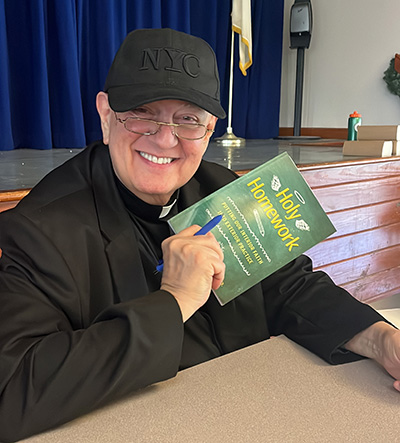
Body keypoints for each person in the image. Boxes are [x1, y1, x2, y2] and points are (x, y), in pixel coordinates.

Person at [0, 28, 399, 442]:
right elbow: (11, 391)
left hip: (258, 408)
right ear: (105, 115)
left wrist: (381, 339)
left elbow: (289, 286)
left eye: (188, 119)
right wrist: (174, 302)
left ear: (209, 131)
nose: (165, 138)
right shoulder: (39, 231)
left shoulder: (225, 189)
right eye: (141, 111)